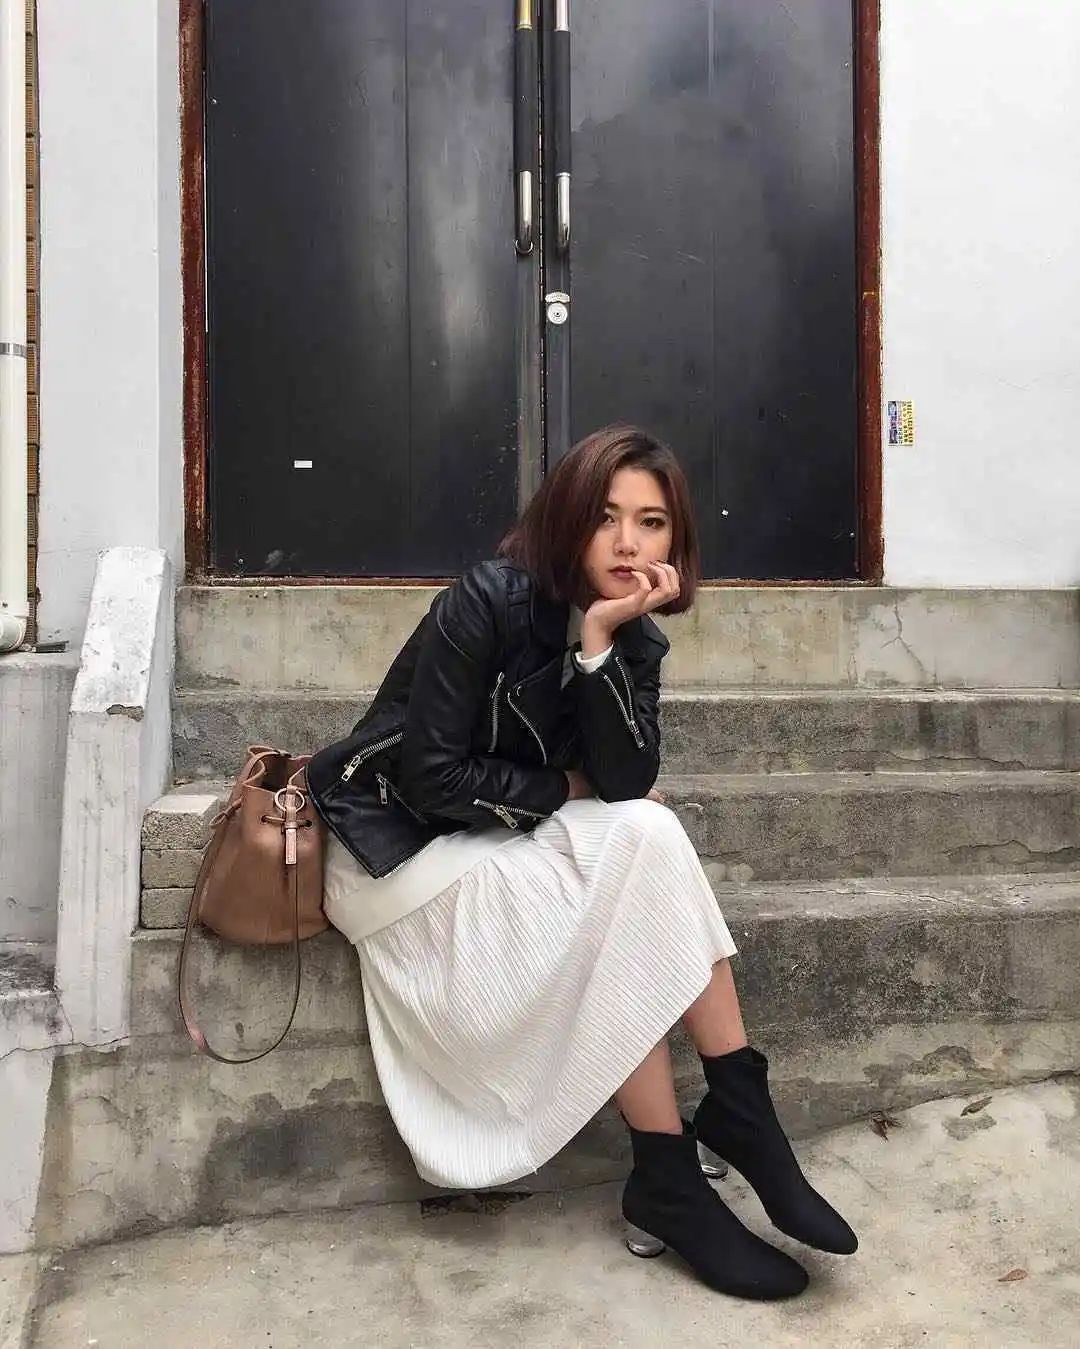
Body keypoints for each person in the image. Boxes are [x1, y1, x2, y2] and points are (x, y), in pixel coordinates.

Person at [308, 425, 856, 1301]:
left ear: (675, 539)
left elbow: (628, 781)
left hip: (494, 834)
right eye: (607, 517)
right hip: (399, 856)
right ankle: (722, 1127)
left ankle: (693, 1150)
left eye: (651, 522)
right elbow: (430, 776)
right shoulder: (488, 599)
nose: (628, 543)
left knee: (645, 838)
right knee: (637, 854)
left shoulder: (631, 637)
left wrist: (601, 643)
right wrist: (564, 786)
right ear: (569, 517)